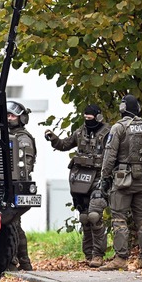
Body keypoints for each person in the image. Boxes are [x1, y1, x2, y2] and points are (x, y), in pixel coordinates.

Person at [98, 94, 142, 271]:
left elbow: (110, 154)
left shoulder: (119, 128)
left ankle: (120, 259)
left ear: (122, 108)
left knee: (119, 218)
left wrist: (104, 177)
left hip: (123, 181)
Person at [44, 104, 111, 268]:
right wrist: (53, 138)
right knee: (84, 218)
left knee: (95, 216)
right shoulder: (80, 132)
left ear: (98, 117)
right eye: (85, 118)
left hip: (100, 178)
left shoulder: (108, 133)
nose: (88, 121)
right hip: (81, 179)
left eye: (91, 118)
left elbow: (116, 153)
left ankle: (98, 255)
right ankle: (88, 254)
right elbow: (64, 144)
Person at [6, 100, 35, 271]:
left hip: (17, 185)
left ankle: (23, 261)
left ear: (21, 118)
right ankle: (13, 260)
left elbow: (26, 165)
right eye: (7, 115)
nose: (9, 119)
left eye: (12, 116)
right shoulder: (5, 136)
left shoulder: (23, 139)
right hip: (5, 185)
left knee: (14, 223)